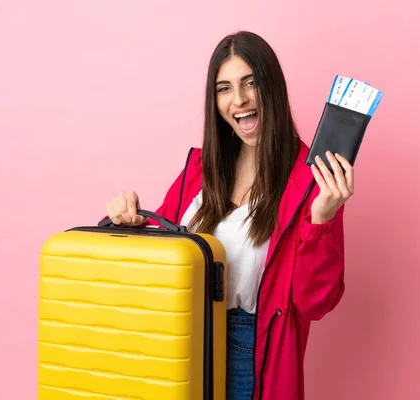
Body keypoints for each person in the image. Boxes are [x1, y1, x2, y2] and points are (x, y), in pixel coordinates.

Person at [105, 31, 352, 400]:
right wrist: (133, 223)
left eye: (251, 83)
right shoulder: (201, 168)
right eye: (224, 88)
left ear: (273, 87)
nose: (239, 100)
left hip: (246, 353)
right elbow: (163, 256)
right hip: (176, 341)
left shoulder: (309, 179)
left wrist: (322, 221)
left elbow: (314, 303)